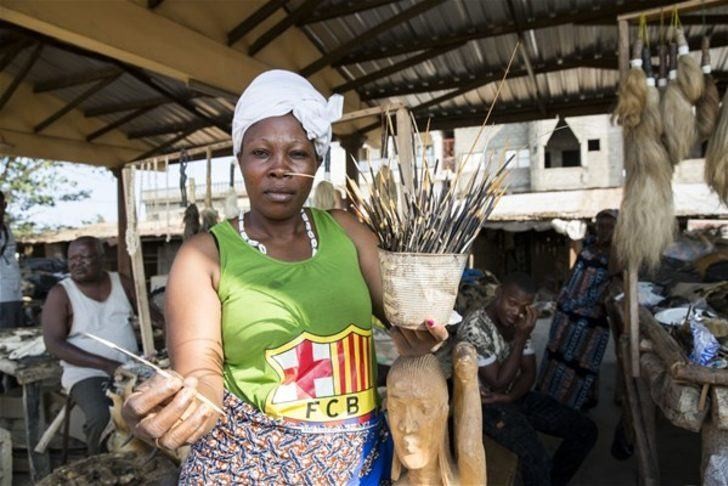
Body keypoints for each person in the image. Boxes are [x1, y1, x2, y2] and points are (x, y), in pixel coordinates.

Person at [121, 70, 447, 484]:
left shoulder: (347, 232)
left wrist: (418, 333)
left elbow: (403, 317)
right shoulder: (203, 256)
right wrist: (188, 401)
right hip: (246, 467)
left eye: (297, 154)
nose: (279, 169)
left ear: (316, 162)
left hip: (359, 466)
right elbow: (202, 369)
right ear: (239, 158)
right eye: (261, 153)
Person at [457, 272, 597, 486]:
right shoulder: (475, 328)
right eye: (512, 303)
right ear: (499, 293)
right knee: (536, 460)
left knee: (585, 430)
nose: (516, 312)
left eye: (524, 307)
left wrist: (510, 396)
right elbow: (498, 382)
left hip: (511, 398)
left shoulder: (518, 323)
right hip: (485, 407)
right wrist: (520, 338)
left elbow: (529, 373)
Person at [42, 236, 139, 454]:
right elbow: (53, 344)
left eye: (84, 257)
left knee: (151, 408)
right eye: (72, 258)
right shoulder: (61, 293)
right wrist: (105, 364)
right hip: (85, 373)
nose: (77, 263)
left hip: (129, 368)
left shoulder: (120, 282)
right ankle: (99, 466)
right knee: (102, 416)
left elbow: (151, 315)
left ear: (102, 258)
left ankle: (141, 463)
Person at [536, 209, 618, 410]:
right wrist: (563, 291)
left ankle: (576, 404)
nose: (603, 230)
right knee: (556, 354)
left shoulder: (619, 252)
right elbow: (576, 271)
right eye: (600, 225)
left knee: (581, 363)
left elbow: (615, 282)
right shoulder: (590, 244)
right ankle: (549, 399)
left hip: (589, 317)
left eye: (609, 226)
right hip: (566, 311)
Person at [0, 190, 24, 328]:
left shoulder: (6, 229)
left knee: (15, 334)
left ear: (5, 205)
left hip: (14, 292)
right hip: (2, 296)